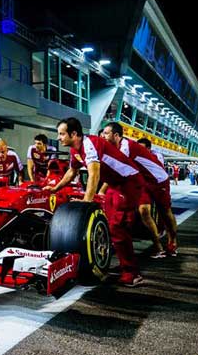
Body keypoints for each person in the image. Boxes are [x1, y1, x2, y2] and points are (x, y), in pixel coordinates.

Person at [43, 117, 145, 287]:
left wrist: (87, 201)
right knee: (113, 226)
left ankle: (132, 274)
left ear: (74, 134)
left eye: (62, 134)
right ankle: (124, 262)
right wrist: (55, 188)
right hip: (115, 184)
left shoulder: (89, 143)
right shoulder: (74, 150)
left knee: (117, 228)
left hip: (129, 182)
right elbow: (72, 172)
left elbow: (94, 173)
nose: (59, 138)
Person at [102, 123, 171, 258]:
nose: (103, 137)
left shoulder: (126, 148)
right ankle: (153, 246)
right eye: (102, 134)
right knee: (136, 212)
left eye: (106, 133)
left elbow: (116, 170)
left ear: (116, 135)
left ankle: (166, 243)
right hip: (136, 182)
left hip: (153, 180)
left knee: (157, 212)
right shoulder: (110, 147)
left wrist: (101, 190)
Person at [136, 137, 179, 256]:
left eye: (142, 149)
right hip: (144, 185)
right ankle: (158, 246)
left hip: (159, 183)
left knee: (165, 212)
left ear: (149, 149)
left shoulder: (157, 155)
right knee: (143, 210)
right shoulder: (134, 154)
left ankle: (172, 240)